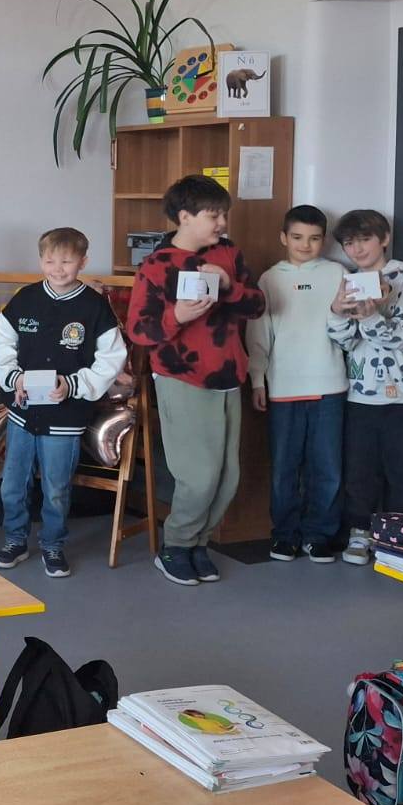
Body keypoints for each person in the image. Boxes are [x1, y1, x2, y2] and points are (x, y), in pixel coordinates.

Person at [126, 176, 265, 586]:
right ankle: (175, 545)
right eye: (213, 215)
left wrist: (229, 286)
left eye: (224, 214)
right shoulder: (156, 264)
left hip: (228, 374)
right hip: (181, 377)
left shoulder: (229, 254)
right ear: (184, 216)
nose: (222, 222)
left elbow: (257, 305)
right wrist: (177, 317)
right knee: (198, 475)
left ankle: (197, 544)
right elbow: (139, 330)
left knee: (227, 477)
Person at [0, 227, 124, 578]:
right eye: (50, 261)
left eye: (67, 261)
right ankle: (15, 540)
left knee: (57, 487)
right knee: (13, 484)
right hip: (22, 412)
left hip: (66, 416)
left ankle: (53, 544)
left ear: (83, 262)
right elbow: (1, 344)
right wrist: (13, 378)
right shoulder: (25, 299)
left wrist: (74, 385)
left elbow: (111, 359)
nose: (58, 269)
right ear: (40, 261)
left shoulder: (95, 307)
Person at [326, 209, 403, 566]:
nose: (357, 249)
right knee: (360, 471)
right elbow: (344, 341)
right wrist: (337, 311)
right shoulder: (349, 281)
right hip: (362, 392)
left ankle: (400, 537)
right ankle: (360, 532)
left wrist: (372, 313)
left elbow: (399, 337)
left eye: (365, 240)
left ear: (384, 239)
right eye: (349, 243)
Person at [246, 205, 348, 564]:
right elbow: (258, 336)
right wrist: (257, 381)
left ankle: (319, 536)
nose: (306, 245)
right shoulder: (269, 279)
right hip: (283, 387)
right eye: (298, 237)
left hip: (330, 386)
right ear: (283, 238)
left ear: (324, 240)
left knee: (328, 468)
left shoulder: (338, 273)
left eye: (314, 238)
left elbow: (350, 325)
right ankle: (285, 536)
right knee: (284, 468)